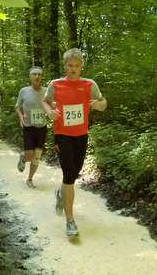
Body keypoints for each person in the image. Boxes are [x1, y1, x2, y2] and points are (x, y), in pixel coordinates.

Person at [42, 48, 107, 237]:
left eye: (76, 66)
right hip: (62, 134)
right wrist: (49, 112)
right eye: (70, 66)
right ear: (65, 66)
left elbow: (103, 103)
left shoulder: (89, 84)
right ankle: (70, 221)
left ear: (81, 67)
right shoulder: (56, 84)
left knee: (75, 172)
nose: (73, 69)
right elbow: (45, 102)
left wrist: (97, 104)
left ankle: (61, 195)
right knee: (69, 174)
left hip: (81, 135)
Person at [15, 66, 47, 189]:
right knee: (29, 155)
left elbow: (53, 104)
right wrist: (21, 117)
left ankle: (30, 179)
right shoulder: (24, 91)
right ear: (30, 77)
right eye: (34, 74)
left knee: (37, 156)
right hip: (29, 127)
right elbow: (17, 106)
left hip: (42, 127)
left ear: (42, 77)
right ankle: (23, 157)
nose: (37, 76)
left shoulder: (46, 90)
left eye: (39, 74)